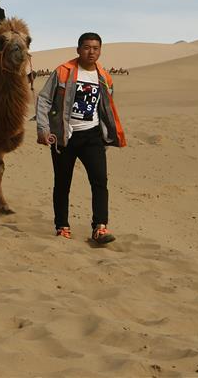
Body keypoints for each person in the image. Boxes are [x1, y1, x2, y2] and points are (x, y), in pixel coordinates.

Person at [35, 32, 127, 245]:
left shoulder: (104, 77)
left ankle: (100, 227)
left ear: (100, 50)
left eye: (95, 48)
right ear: (78, 50)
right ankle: (62, 227)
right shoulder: (63, 71)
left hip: (92, 136)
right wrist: (43, 128)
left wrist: (107, 135)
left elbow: (105, 107)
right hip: (64, 136)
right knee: (62, 183)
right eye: (86, 47)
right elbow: (44, 99)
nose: (91, 52)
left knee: (99, 181)